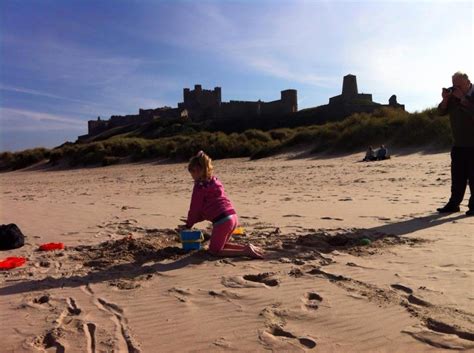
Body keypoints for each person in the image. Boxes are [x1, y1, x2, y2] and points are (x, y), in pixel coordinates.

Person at [181, 151, 264, 258]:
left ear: (197, 170)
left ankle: (246, 251)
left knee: (214, 251)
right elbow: (210, 207)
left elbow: (195, 209)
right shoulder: (215, 182)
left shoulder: (199, 187)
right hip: (232, 217)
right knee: (221, 245)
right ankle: (246, 247)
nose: (191, 176)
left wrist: (188, 225)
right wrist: (194, 221)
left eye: (191, 172)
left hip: (222, 221)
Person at [437, 71, 474, 216]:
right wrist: (445, 99)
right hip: (458, 144)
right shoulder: (453, 97)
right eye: (453, 85)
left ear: (468, 82)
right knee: (457, 177)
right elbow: (440, 112)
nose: (455, 88)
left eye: (458, 85)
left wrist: (464, 99)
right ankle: (453, 204)